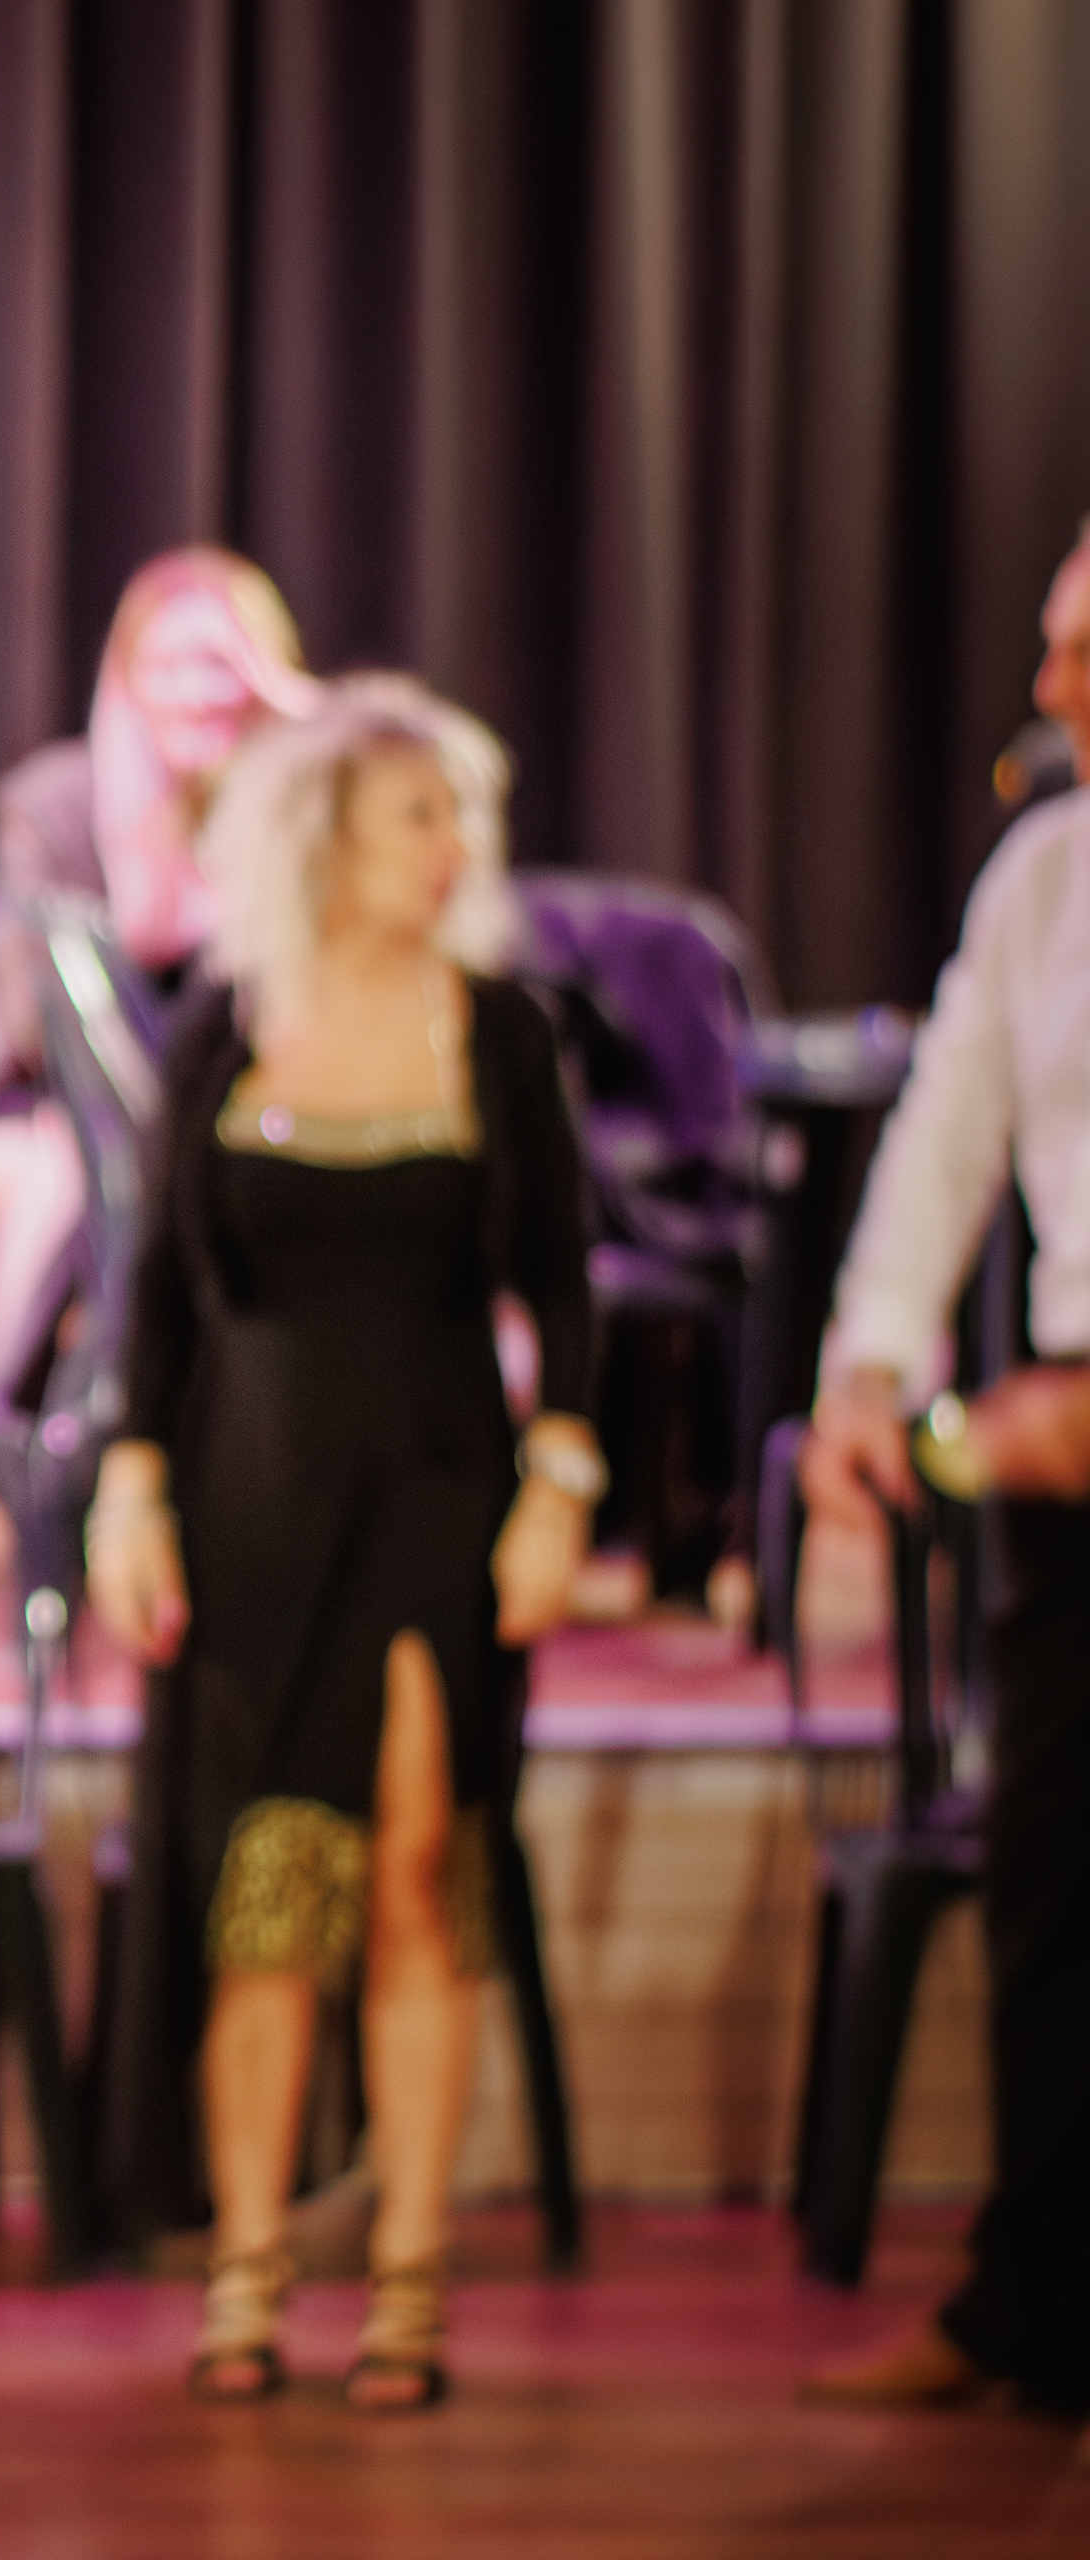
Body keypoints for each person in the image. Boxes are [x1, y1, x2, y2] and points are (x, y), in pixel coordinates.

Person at [83, 675, 600, 2410]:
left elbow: (567, 1291)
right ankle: (247, 2266)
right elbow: (159, 1291)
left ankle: (410, 2274)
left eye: (462, 817)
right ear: (322, 840)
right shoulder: (224, 1027)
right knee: (262, 1894)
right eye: (417, 817)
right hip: (250, 1503)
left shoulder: (500, 1031)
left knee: (413, 1874)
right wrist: (131, 1488)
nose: (454, 849)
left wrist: (562, 1489)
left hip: (440, 1493)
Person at [798, 517, 1090, 2431]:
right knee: (1051, 1886)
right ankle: (1038, 2307)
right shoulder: (1045, 874)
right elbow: (945, 1130)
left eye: (1088, 654)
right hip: (1068, 1450)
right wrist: (873, 1364)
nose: (1050, 687)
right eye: (1057, 645)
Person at [0, 549, 316, 1402]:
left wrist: (304, 727)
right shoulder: (61, 806)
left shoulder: (300, 813)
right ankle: (2, 1423)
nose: (197, 691)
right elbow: (31, 1017)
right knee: (73, 1175)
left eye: (223, 665)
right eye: (168, 665)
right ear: (126, 680)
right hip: (56, 1104)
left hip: (250, 1110)